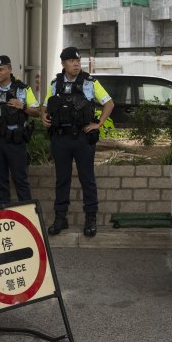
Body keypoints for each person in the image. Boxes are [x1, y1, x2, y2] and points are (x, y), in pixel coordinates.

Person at [41, 46, 114, 238]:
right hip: (60, 137)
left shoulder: (90, 82)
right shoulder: (55, 83)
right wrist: (44, 117)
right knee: (62, 179)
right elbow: (45, 106)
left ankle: (90, 219)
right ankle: (60, 218)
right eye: (72, 61)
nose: (76, 64)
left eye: (78, 61)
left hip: (82, 137)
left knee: (87, 178)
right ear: (63, 63)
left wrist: (98, 124)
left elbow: (109, 103)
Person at [0, 55, 40, 207]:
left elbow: (36, 112)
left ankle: (27, 216)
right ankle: (3, 214)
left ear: (10, 69)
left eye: (1, 69)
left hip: (15, 141)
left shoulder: (23, 89)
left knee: (20, 179)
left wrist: (23, 107)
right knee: (0, 180)